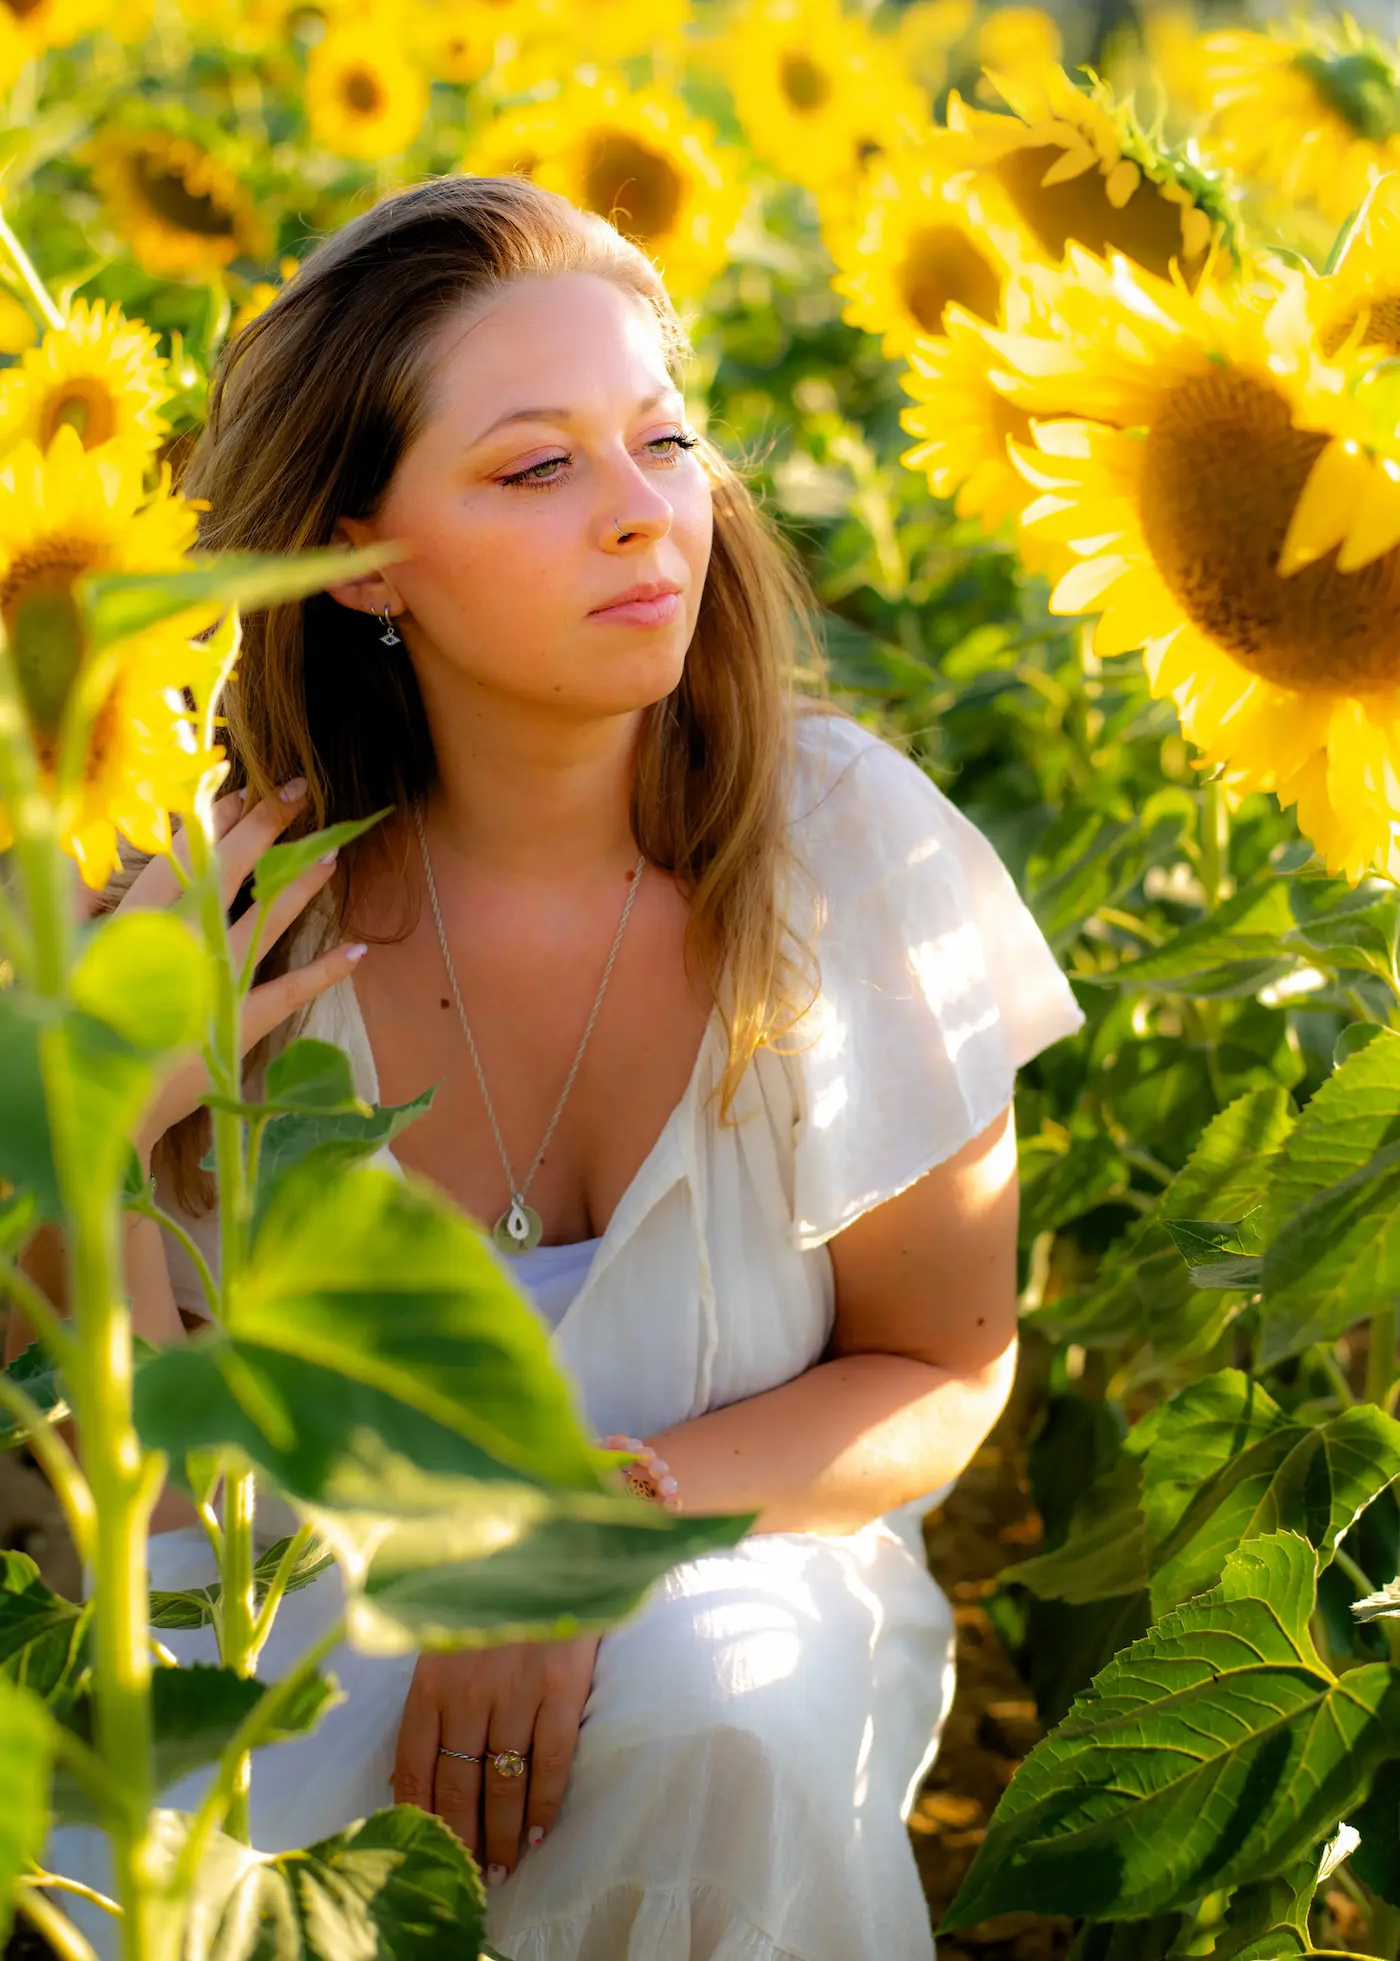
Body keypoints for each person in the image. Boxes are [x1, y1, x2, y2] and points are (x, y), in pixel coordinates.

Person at [29, 173, 1084, 1961]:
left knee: (714, 1704)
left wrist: (587, 1535)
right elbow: (83, 1426)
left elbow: (943, 1359)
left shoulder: (841, 852)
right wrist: (113, 1083)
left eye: (663, 443)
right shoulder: (180, 888)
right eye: (539, 468)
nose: (643, 519)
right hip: (280, 1616)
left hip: (719, 1562)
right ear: (361, 558)